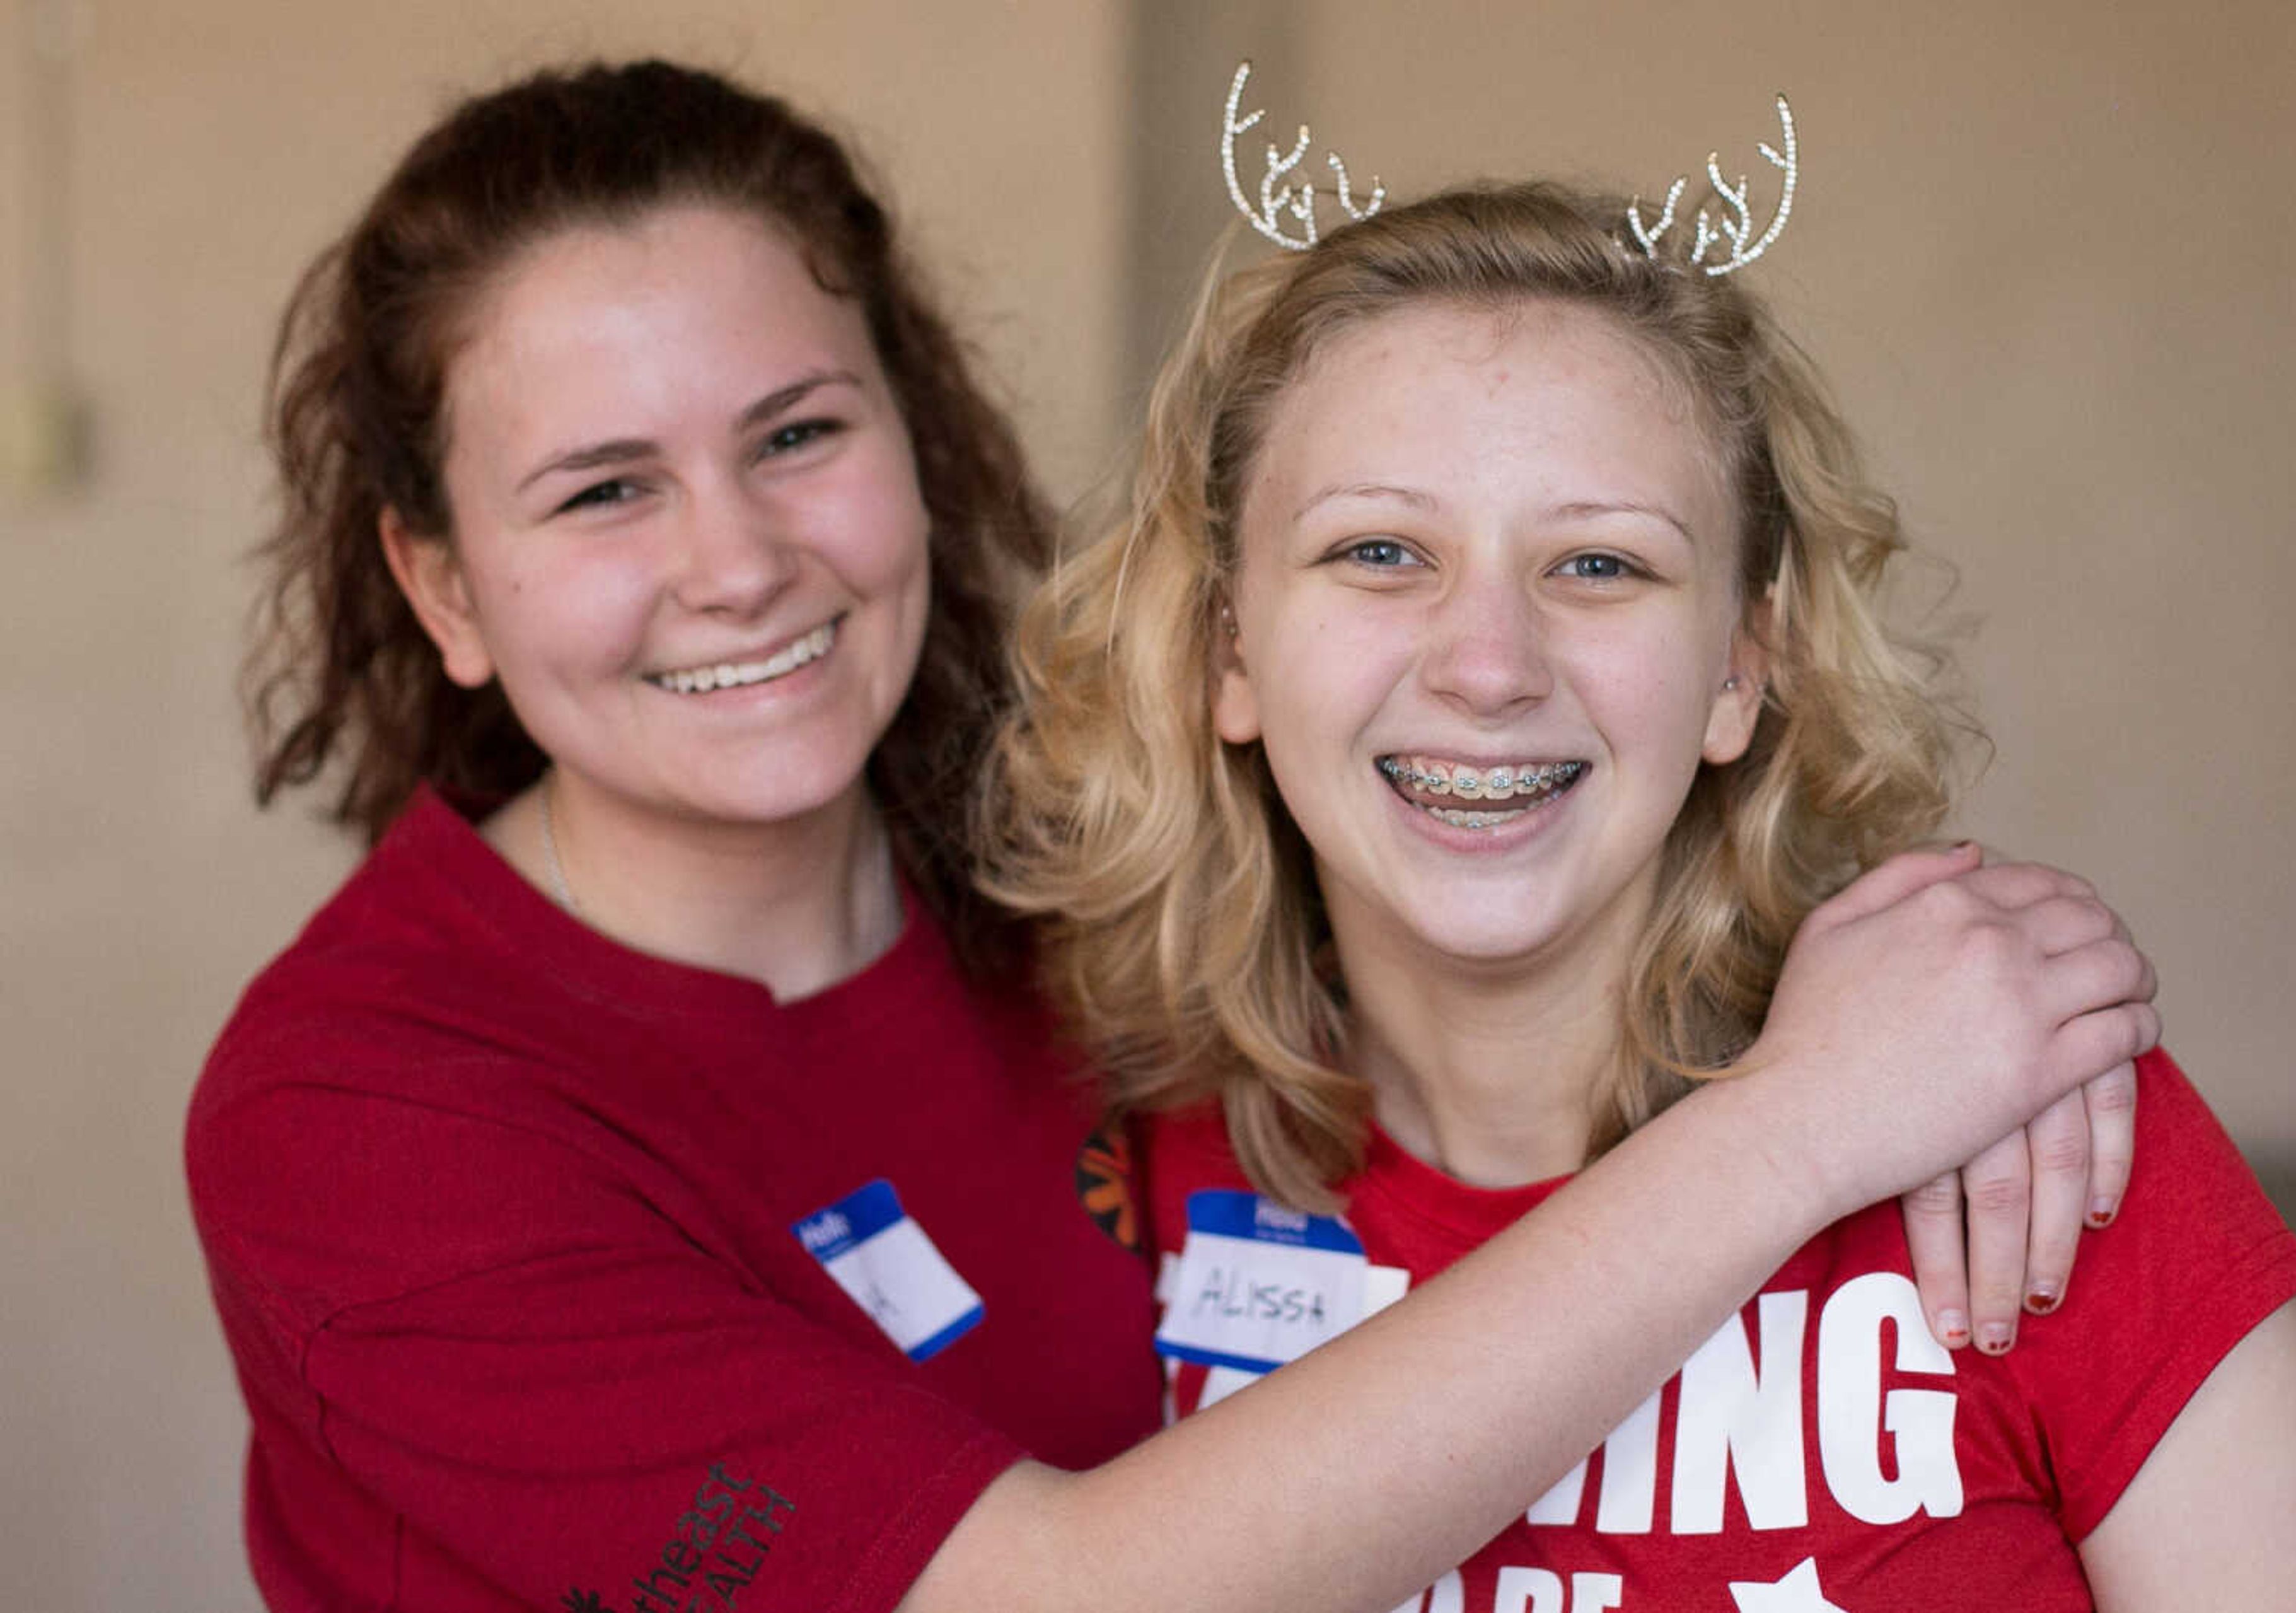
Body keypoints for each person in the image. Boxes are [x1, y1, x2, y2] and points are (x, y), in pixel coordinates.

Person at [190, 60, 2161, 1613]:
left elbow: (1548, 825)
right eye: (603, 490)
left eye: (799, 434)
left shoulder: (1099, 889)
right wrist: (1821, 1114)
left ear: (920, 432)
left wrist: (1961, 956)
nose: (737, 562)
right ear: (441, 586)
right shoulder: (366, 1111)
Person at [984, 173, 2296, 1610]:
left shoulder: (2029, 1138)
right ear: (1229, 650)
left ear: (1741, 668)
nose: (1488, 664)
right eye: (1380, 552)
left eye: (1600, 563)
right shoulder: (1097, 1173)